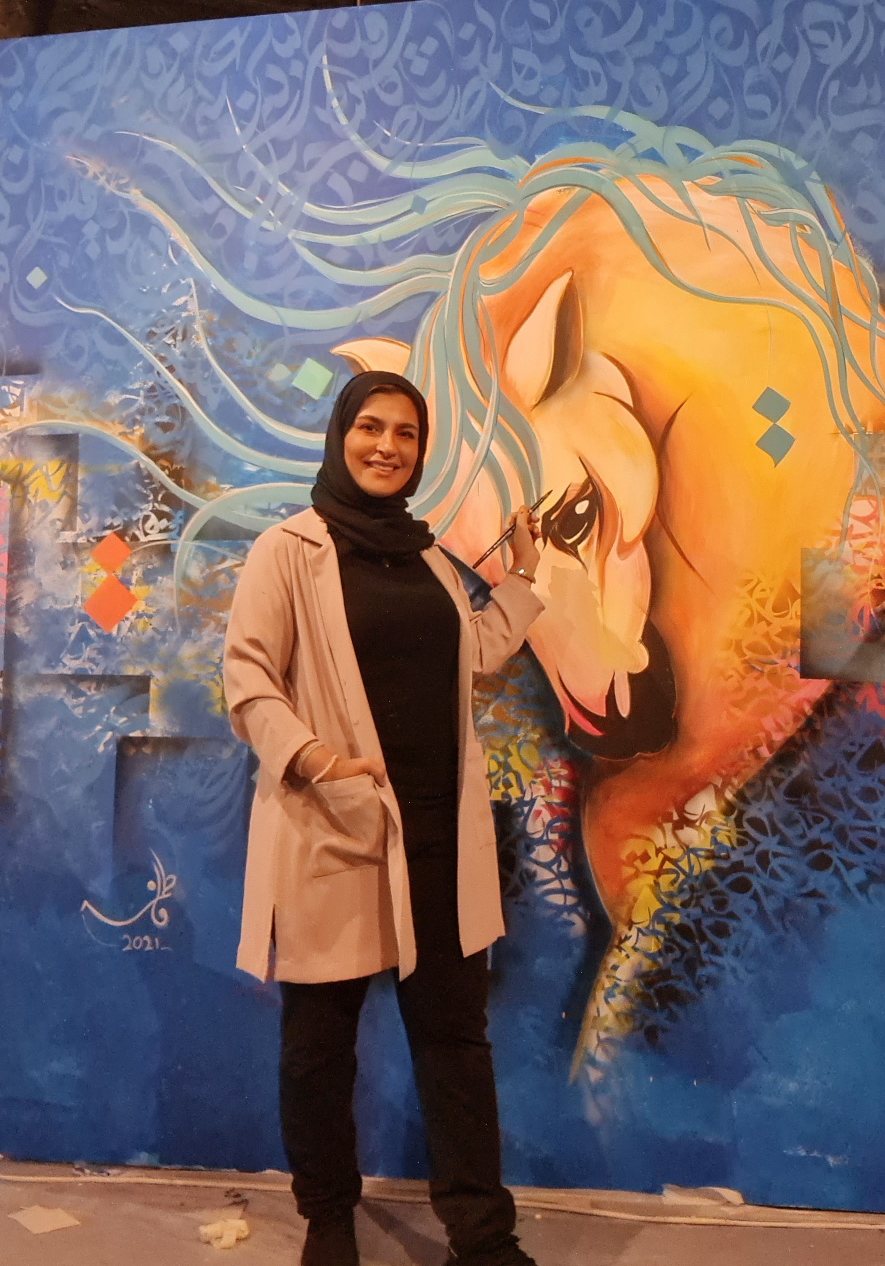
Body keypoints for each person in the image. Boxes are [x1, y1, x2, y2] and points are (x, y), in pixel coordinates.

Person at [223, 369, 544, 1266]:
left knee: (456, 1043)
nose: (387, 446)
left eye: (406, 433)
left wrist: (523, 576)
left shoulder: (430, 558)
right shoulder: (289, 550)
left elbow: (473, 651)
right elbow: (248, 677)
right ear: (341, 435)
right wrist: (315, 761)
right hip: (336, 827)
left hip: (440, 839)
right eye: (371, 426)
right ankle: (329, 1219)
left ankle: (481, 1236)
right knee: (319, 1048)